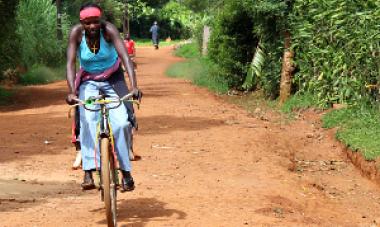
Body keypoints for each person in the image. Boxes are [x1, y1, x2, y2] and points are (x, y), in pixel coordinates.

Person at [66, 3, 140, 191]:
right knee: (88, 119)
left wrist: (134, 86)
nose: (92, 26)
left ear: (101, 20)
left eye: (95, 22)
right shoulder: (76, 33)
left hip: (113, 80)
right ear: (82, 23)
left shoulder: (109, 31)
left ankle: (126, 173)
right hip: (88, 82)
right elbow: (70, 64)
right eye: (88, 23)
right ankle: (89, 171)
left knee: (122, 123)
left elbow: (125, 58)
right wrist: (71, 92)